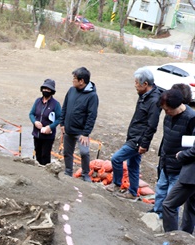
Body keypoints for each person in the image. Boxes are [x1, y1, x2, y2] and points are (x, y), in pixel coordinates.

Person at [105, 68, 161, 200]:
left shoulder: (153, 101)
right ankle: (132, 192)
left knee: (116, 159)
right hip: (134, 136)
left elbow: (152, 125)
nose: (135, 85)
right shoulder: (144, 96)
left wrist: (144, 143)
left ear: (145, 84)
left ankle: (116, 184)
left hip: (138, 139)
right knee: (133, 165)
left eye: (137, 83)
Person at [149, 88, 195, 218]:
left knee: (171, 197)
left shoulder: (191, 118)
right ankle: (157, 213)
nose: (166, 112)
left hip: (180, 165)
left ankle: (168, 222)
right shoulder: (168, 116)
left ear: (176, 106)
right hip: (166, 161)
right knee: (161, 189)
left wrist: (182, 156)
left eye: (167, 109)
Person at [60, 67, 98, 182]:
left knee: (84, 152)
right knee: (67, 152)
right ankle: (68, 172)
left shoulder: (92, 96)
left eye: (74, 78)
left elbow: (92, 116)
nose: (73, 80)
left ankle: (85, 174)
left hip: (81, 132)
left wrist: (86, 133)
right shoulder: (71, 90)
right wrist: (62, 123)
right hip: (68, 129)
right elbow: (65, 107)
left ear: (81, 81)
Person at [162, 135, 195, 234]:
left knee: (168, 204)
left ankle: (173, 237)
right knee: (191, 207)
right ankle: (185, 236)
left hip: (191, 175)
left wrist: (182, 155)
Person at [29, 79, 62, 165]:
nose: (46, 91)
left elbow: (60, 118)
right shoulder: (37, 101)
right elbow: (31, 114)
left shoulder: (56, 104)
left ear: (52, 91)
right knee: (38, 155)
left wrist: (50, 127)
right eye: (44, 88)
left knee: (45, 156)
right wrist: (35, 122)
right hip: (37, 134)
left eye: (48, 89)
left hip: (48, 136)